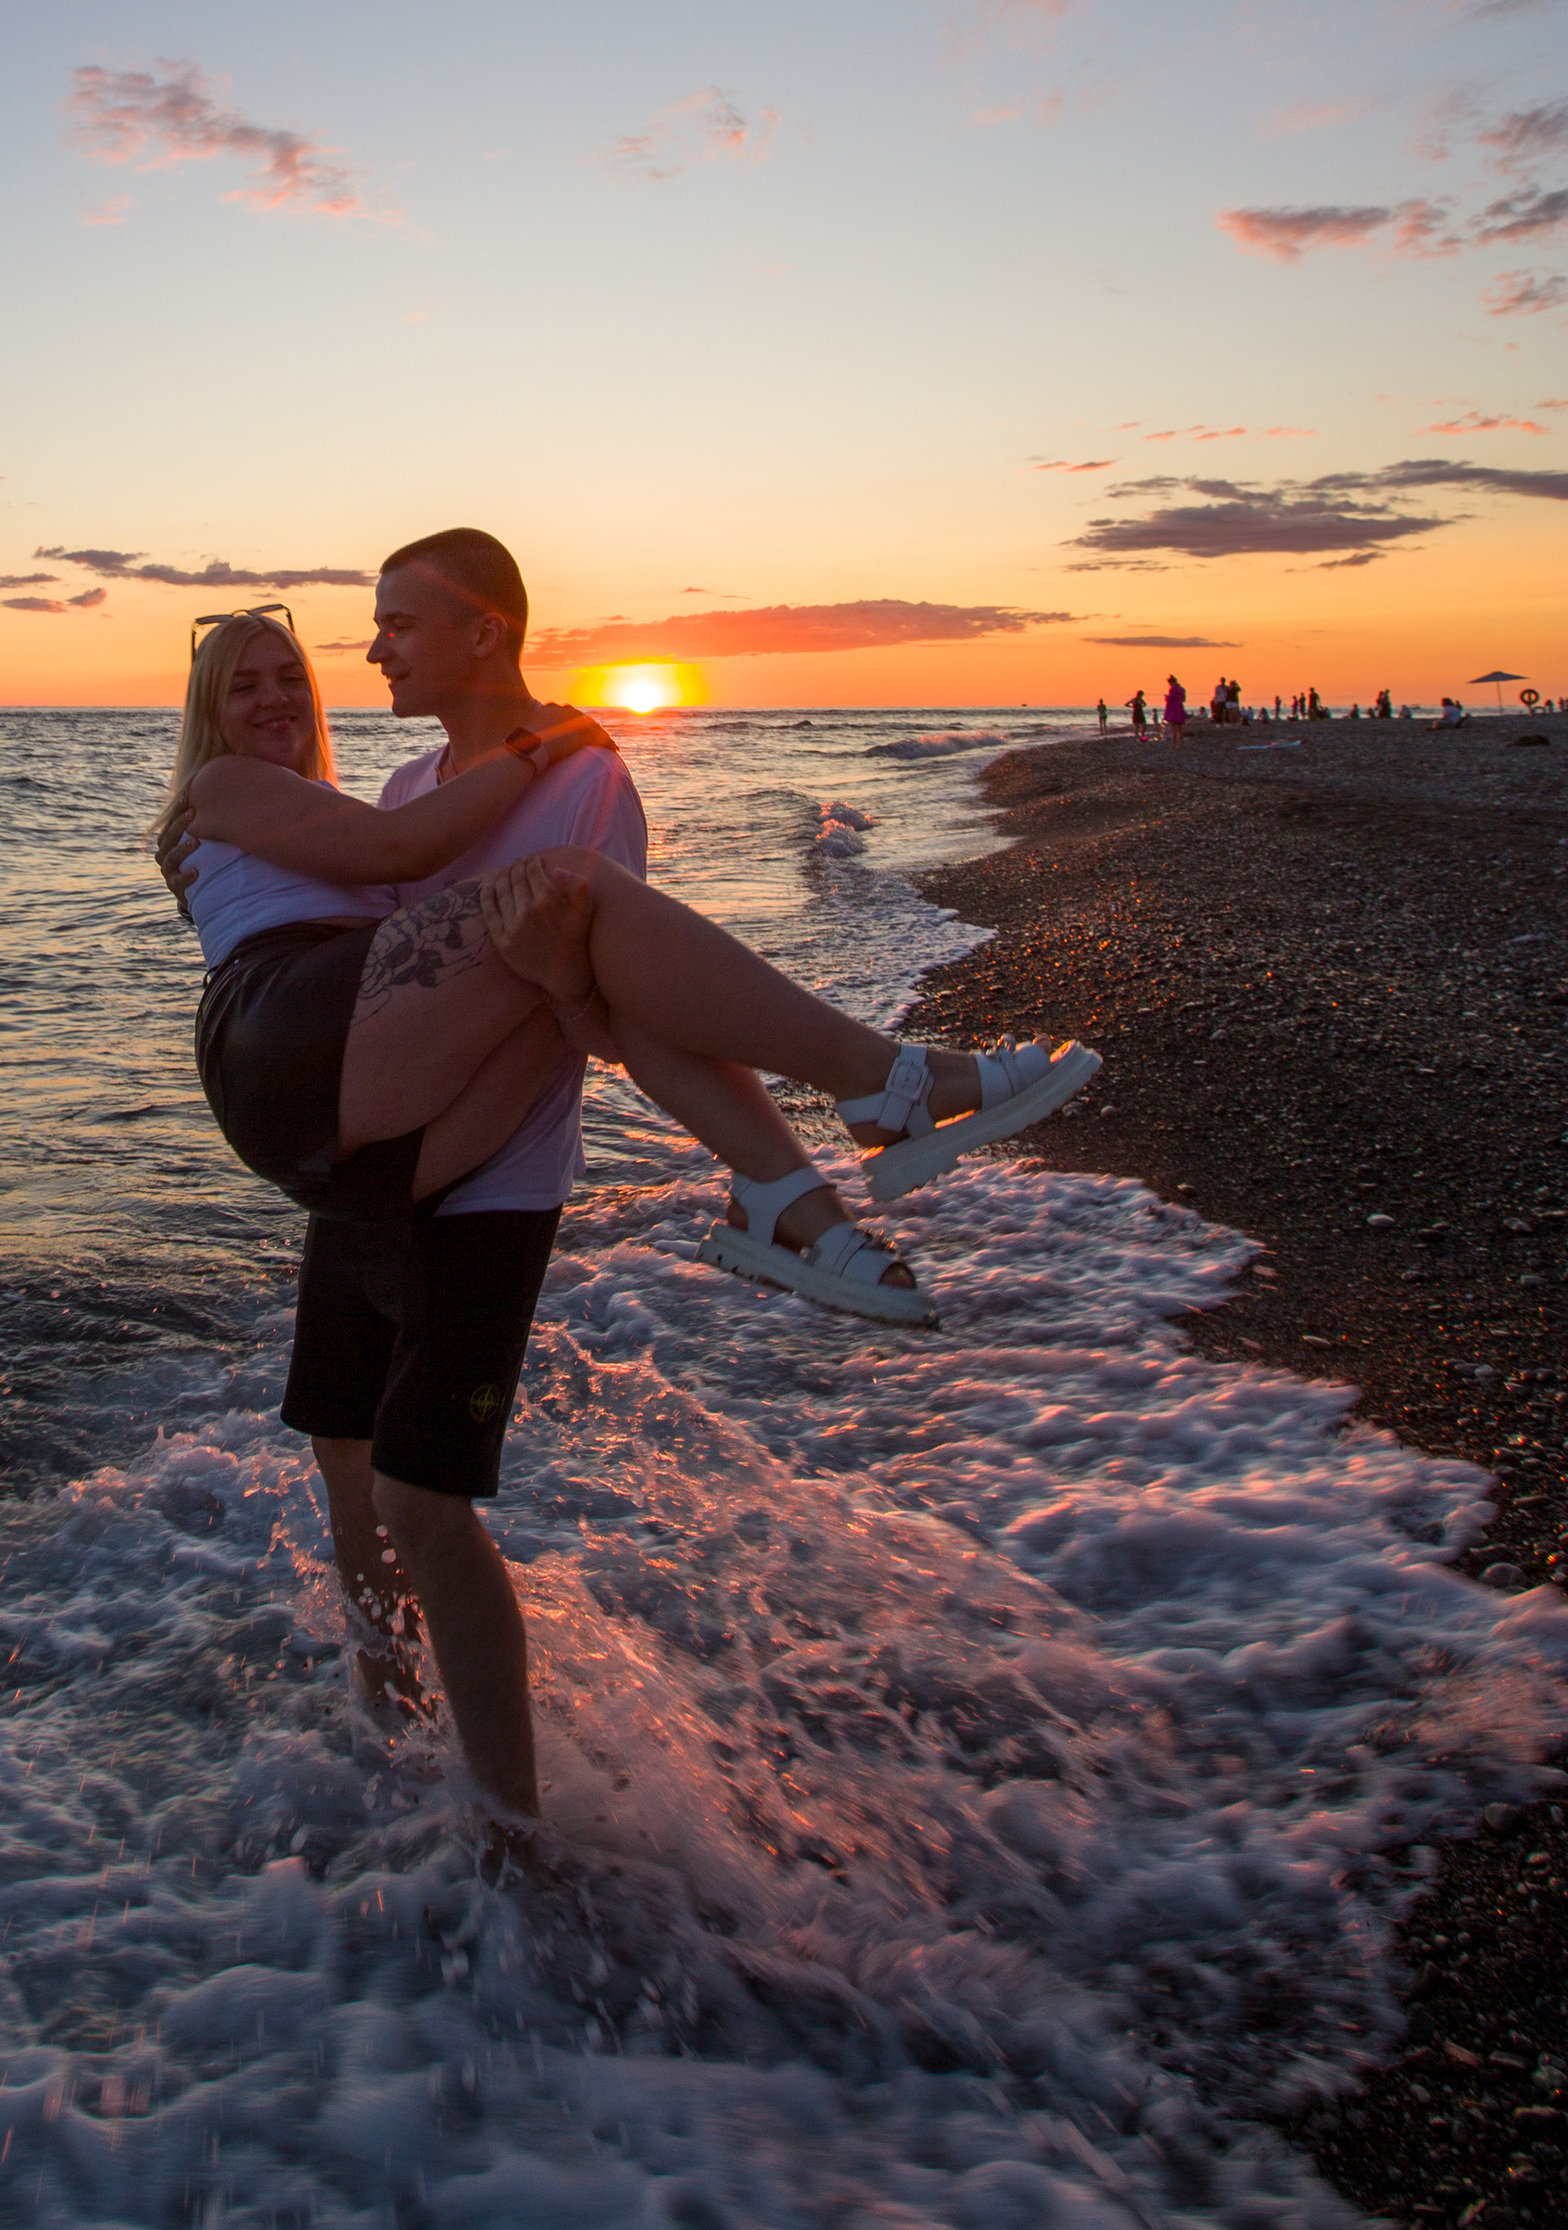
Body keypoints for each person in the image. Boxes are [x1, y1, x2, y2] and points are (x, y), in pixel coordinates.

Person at [159, 598, 1100, 1819]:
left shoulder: (349, 808)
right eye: (245, 685)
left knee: (355, 1453)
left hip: (342, 1102)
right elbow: (406, 858)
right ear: (209, 714)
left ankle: (388, 1720)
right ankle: (880, 1088)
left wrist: (569, 978)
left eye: (291, 674)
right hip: (288, 1029)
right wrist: (547, 742)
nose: (276, 697)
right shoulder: (225, 790)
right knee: (564, 888)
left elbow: (565, 1009)